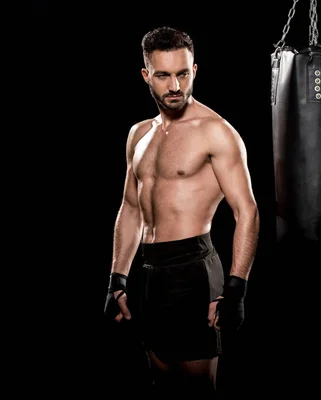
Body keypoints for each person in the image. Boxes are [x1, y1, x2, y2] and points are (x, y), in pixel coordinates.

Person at [103, 25, 260, 398]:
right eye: (163, 75)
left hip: (194, 270)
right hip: (149, 271)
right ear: (146, 75)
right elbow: (130, 208)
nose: (175, 86)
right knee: (160, 383)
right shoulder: (139, 134)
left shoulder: (215, 131)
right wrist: (117, 279)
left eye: (182, 73)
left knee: (197, 390)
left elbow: (247, 211)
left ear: (194, 70)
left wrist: (237, 288)